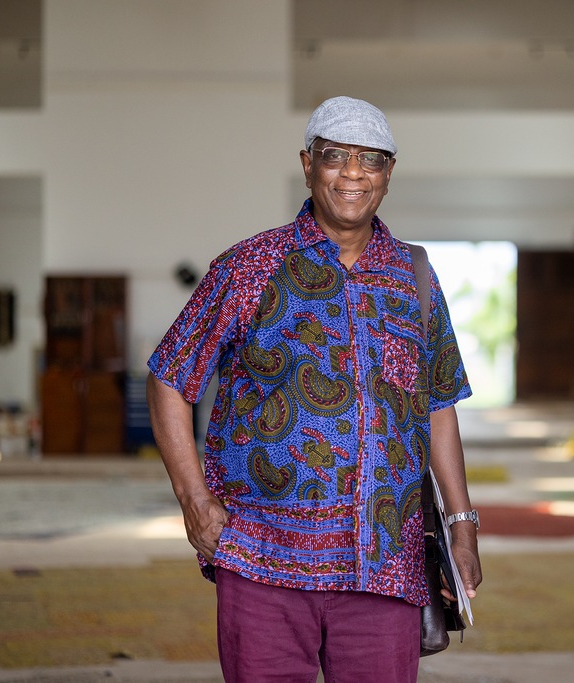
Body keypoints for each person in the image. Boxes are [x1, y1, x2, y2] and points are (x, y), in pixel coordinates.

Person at [146, 96, 481, 683]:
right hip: (262, 559)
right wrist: (194, 501)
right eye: (335, 157)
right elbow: (171, 375)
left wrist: (462, 521)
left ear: (388, 174)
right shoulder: (250, 267)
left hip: (384, 565)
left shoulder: (415, 277)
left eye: (370, 160)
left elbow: (438, 406)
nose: (353, 173)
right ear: (308, 164)